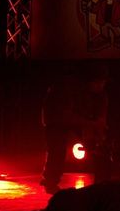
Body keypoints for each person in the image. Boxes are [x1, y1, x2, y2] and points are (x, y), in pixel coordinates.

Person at [40, 63, 110, 194]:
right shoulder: (66, 89)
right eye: (98, 83)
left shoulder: (101, 95)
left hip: (79, 116)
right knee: (57, 149)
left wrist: (99, 131)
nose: (101, 86)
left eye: (103, 83)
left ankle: (101, 181)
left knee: (99, 148)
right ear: (89, 81)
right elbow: (64, 117)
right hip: (56, 118)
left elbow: (101, 116)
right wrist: (91, 124)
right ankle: (50, 181)